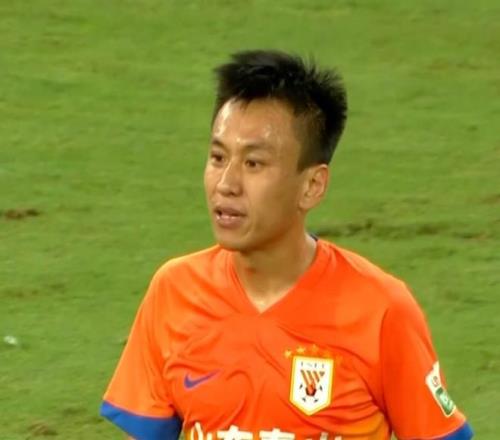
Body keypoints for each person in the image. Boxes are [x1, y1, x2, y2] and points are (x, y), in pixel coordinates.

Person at [100, 50, 473, 440]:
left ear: (311, 186)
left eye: (253, 163)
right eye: (218, 157)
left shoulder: (381, 310)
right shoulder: (175, 292)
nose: (226, 184)